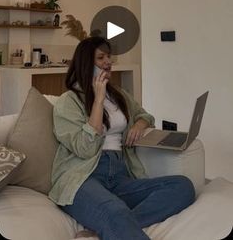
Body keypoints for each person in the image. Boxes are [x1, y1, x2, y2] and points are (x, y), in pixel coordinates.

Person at [49, 36, 195, 240]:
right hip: (83, 179)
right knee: (115, 211)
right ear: (86, 63)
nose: (108, 62)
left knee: (182, 187)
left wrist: (139, 124)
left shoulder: (118, 95)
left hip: (119, 176)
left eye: (109, 57)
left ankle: (108, 226)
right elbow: (85, 149)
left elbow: (145, 115)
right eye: (101, 58)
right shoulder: (69, 102)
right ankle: (115, 220)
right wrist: (98, 100)